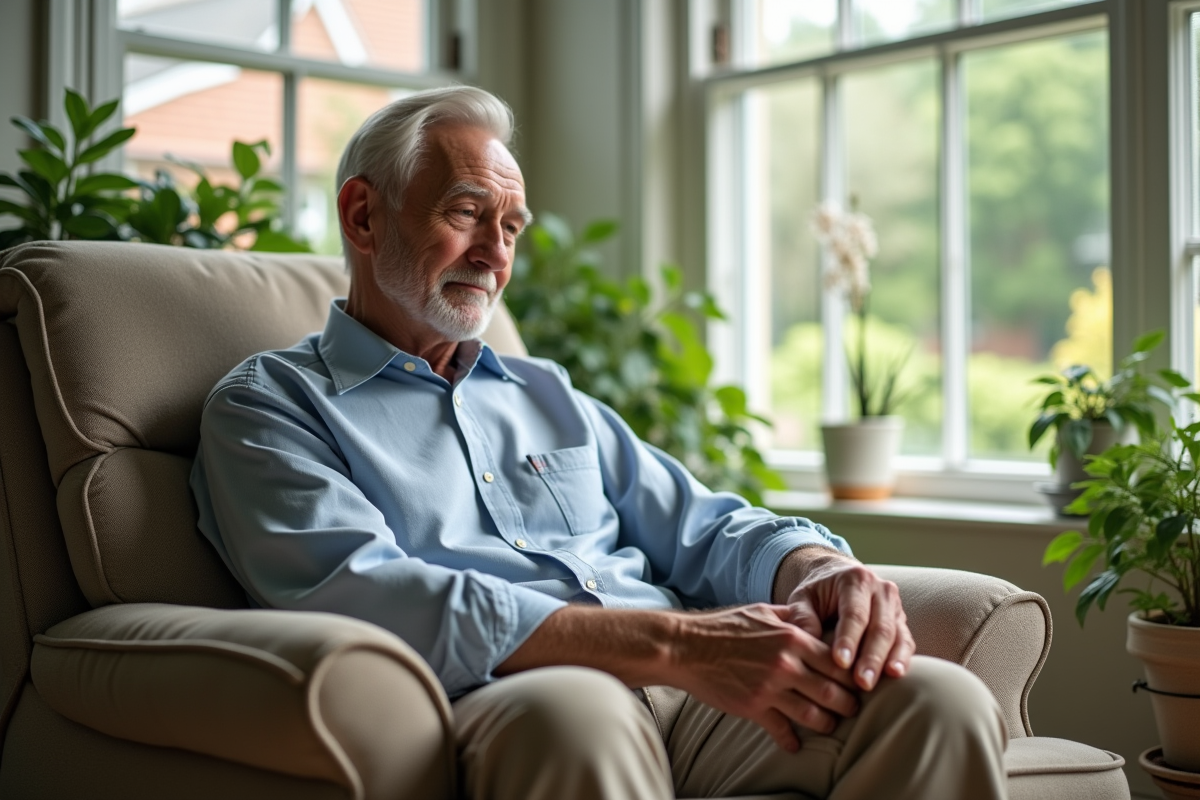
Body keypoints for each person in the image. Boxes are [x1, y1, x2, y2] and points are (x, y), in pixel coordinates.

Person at [190, 85, 1008, 800]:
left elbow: (704, 524)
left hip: (693, 697)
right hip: (521, 696)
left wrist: (822, 567)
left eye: (511, 226)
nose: (496, 253)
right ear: (363, 215)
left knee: (936, 701)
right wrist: (677, 644)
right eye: (468, 212)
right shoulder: (271, 410)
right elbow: (366, 593)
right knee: (574, 715)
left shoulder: (543, 392)